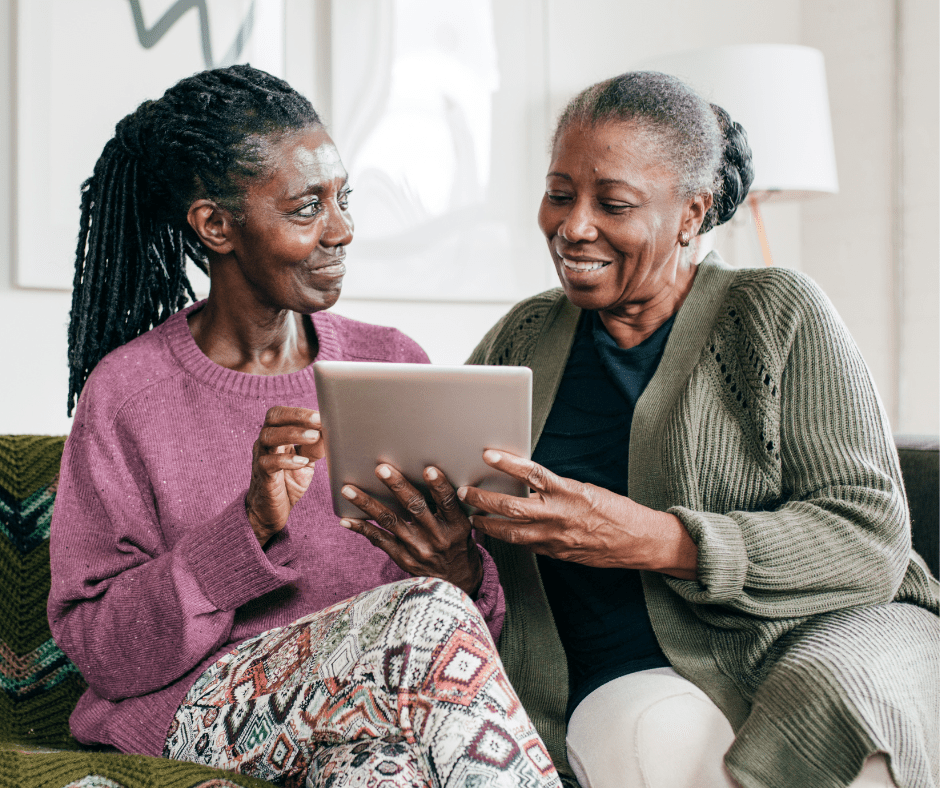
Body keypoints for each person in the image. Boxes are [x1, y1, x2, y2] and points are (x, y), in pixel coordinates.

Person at [402, 72, 938, 788]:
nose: (573, 226)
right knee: (636, 734)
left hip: (803, 636)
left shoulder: (775, 312)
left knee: (829, 697)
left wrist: (655, 539)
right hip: (608, 675)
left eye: (612, 203)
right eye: (560, 194)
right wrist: (453, 565)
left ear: (692, 213)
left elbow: (869, 538)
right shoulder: (522, 336)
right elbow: (475, 538)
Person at [47, 65, 561, 788]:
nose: (342, 229)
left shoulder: (393, 362)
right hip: (196, 713)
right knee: (424, 615)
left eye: (343, 198)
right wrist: (249, 523)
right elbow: (103, 650)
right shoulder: (129, 393)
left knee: (383, 773)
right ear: (216, 225)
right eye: (305, 208)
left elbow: (463, 626)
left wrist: (457, 568)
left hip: (369, 714)